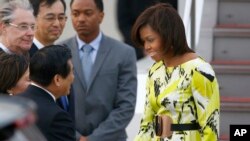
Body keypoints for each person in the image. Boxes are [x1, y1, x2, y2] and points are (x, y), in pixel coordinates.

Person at [131, 3, 220, 141]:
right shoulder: (155, 71)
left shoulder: (199, 69)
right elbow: (146, 125)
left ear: (168, 35)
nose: (146, 47)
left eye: (150, 40)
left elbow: (210, 128)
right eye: (143, 42)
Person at [60, 0, 137, 140]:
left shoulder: (124, 53)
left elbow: (126, 106)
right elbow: (55, 104)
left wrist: (94, 139)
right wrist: (77, 137)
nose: (81, 19)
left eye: (88, 13)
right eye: (75, 14)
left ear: (101, 16)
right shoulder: (59, 52)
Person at [18, 45, 76, 141]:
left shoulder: (14, 103)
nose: (73, 77)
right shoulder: (58, 118)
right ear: (57, 79)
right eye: (72, 72)